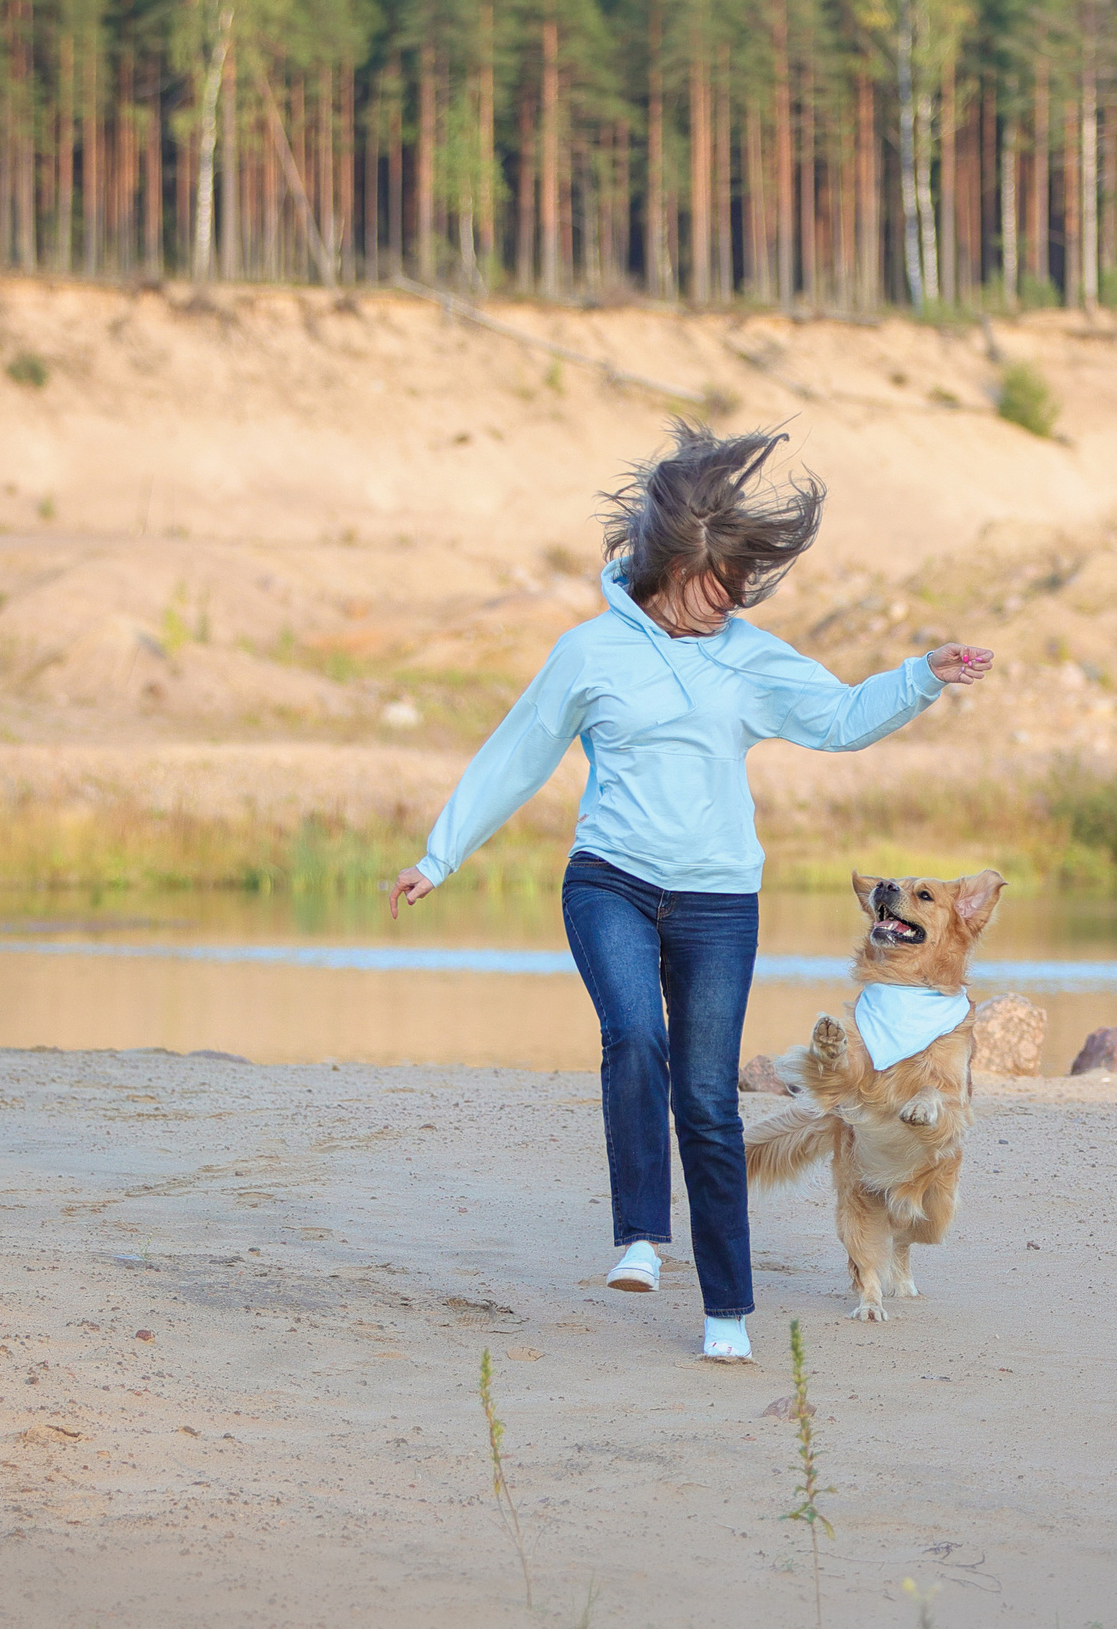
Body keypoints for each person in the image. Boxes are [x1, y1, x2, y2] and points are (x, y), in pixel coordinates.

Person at [390, 424, 994, 1361]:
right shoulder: (590, 652)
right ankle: (641, 1234)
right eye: (722, 586)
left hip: (718, 901)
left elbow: (838, 717)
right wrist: (440, 856)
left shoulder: (748, 654)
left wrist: (921, 678)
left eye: (744, 587)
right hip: (611, 881)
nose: (733, 603)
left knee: (708, 1099)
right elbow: (521, 750)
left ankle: (725, 1314)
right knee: (634, 1035)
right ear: (674, 564)